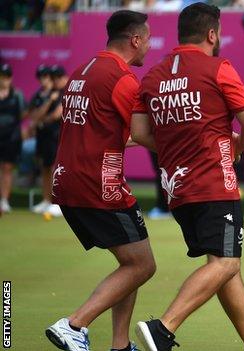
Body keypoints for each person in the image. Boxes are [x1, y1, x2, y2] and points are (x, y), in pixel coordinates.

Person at [130, 4, 244, 351]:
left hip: (178, 189)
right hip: (215, 183)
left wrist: (180, 145)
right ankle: (163, 329)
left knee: (222, 263)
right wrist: (236, 148)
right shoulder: (219, 68)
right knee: (227, 261)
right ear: (212, 34)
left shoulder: (153, 75)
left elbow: (139, 132)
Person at [44, 10, 156, 351]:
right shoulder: (122, 79)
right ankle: (74, 324)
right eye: (148, 40)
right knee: (143, 264)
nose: (149, 47)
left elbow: (109, 133)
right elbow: (148, 132)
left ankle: (120, 345)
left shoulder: (81, 72)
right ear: (135, 40)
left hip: (67, 180)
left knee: (130, 263)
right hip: (99, 185)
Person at [30, 64, 67, 216]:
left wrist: (42, 120)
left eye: (57, 77)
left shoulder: (66, 91)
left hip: (58, 135)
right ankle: (46, 200)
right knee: (45, 167)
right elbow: (34, 116)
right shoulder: (48, 93)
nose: (55, 80)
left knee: (55, 168)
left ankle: (57, 202)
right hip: (44, 135)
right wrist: (47, 106)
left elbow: (57, 115)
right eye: (53, 78)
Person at [0, 63, 25, 213]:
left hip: (11, 137)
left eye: (7, 77)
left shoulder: (17, 94)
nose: (4, 80)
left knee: (7, 168)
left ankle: (4, 201)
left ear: (11, 78)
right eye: (2, 77)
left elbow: (23, 114)